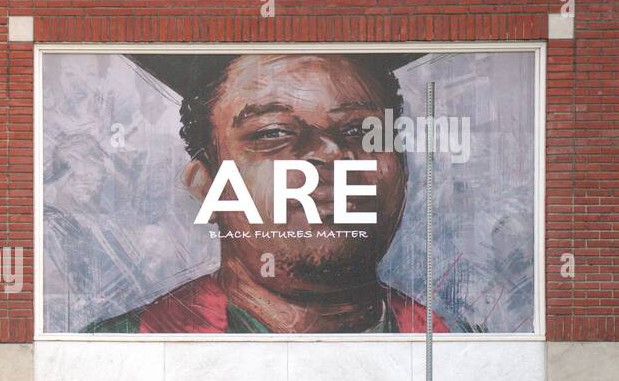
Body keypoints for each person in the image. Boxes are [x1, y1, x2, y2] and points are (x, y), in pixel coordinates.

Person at [88, 53, 450, 334]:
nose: (331, 152)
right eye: (273, 133)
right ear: (208, 186)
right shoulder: (126, 348)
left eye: (360, 130)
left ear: (402, 170)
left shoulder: (453, 344)